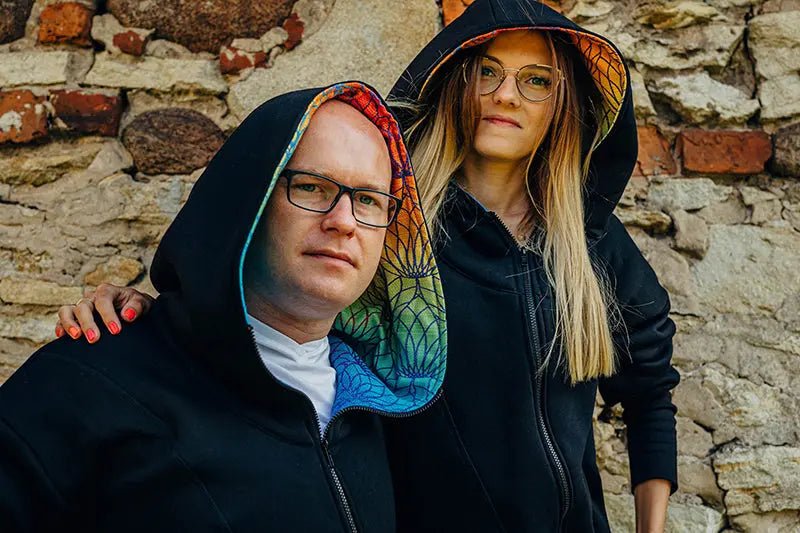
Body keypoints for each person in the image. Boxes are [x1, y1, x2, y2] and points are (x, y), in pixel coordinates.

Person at [51, 1, 680, 531]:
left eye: (536, 80)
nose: (505, 94)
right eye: (487, 71)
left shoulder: (591, 244)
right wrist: (153, 315)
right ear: (456, 79)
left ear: (562, 104)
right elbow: (274, 303)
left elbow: (650, 393)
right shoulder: (386, 224)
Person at [0, 81, 446, 531]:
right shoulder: (91, 382)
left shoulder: (390, 408)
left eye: (368, 200)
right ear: (247, 198)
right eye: (312, 187)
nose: (344, 221)